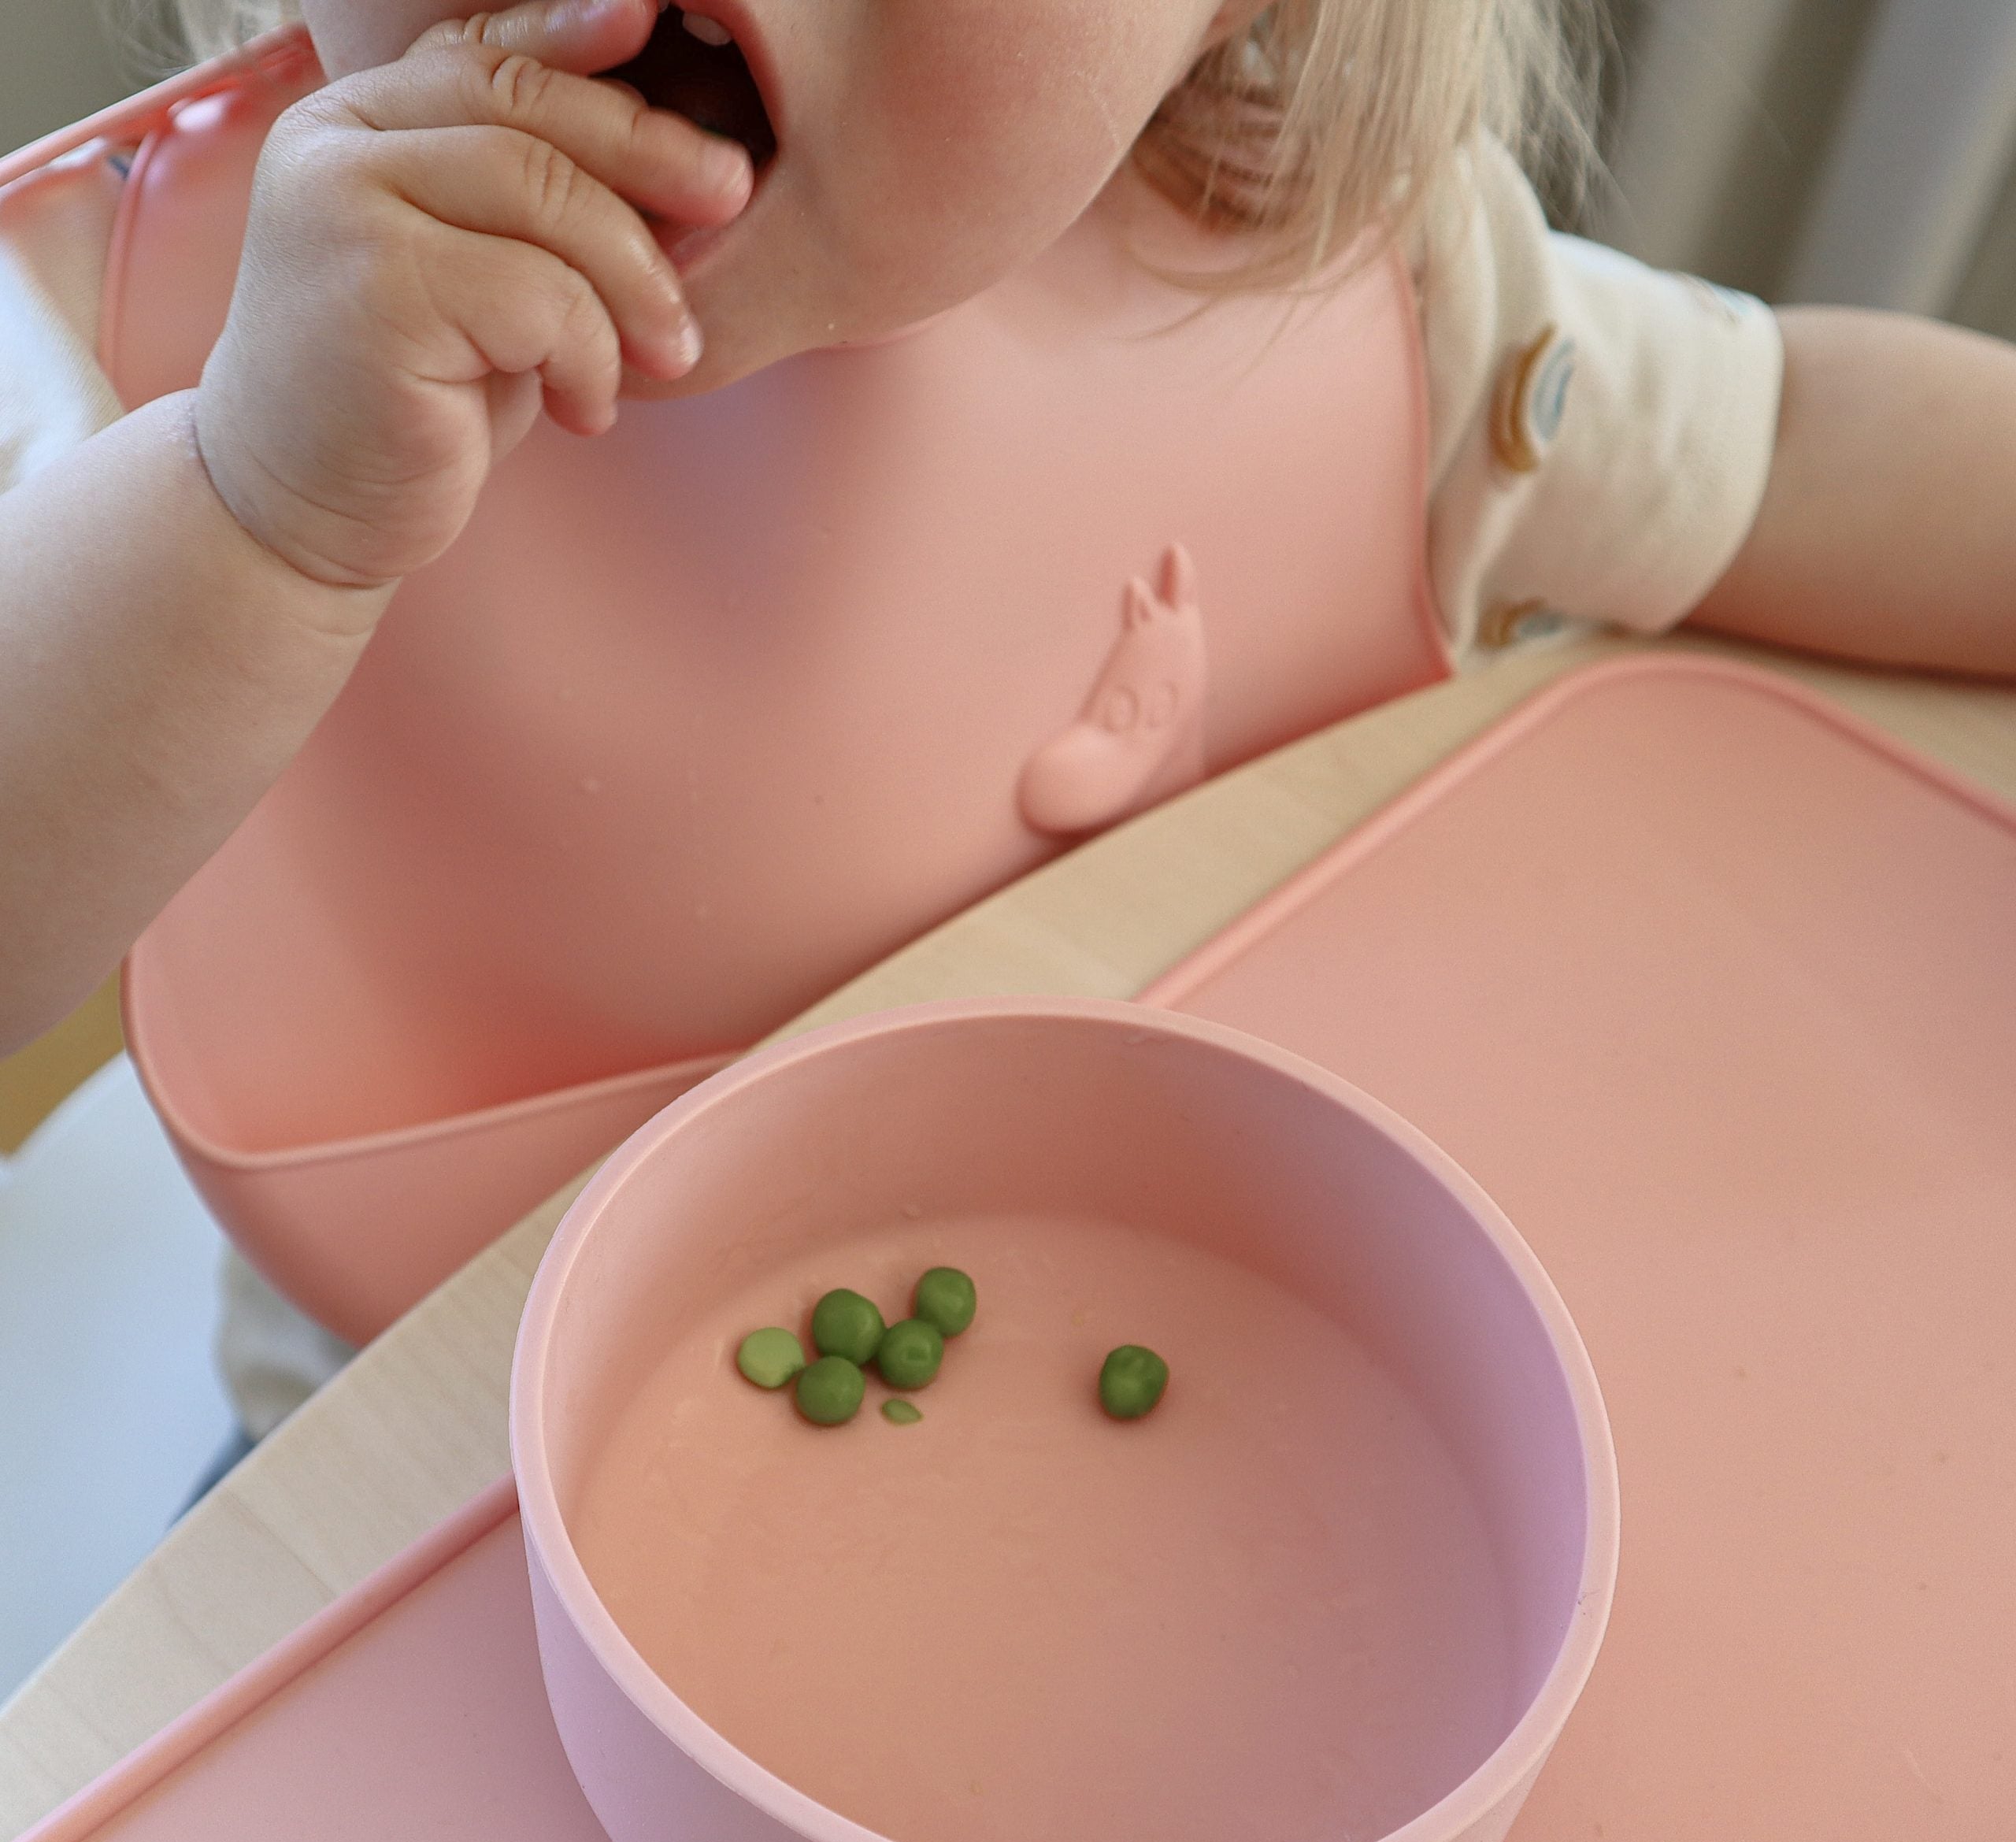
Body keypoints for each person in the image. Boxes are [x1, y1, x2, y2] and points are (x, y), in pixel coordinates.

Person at [2, 0, 2012, 1434]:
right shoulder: (178, 354)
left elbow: (1795, 448)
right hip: (407, 1500)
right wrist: (258, 520)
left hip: (1160, 1419)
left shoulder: (1348, 306)